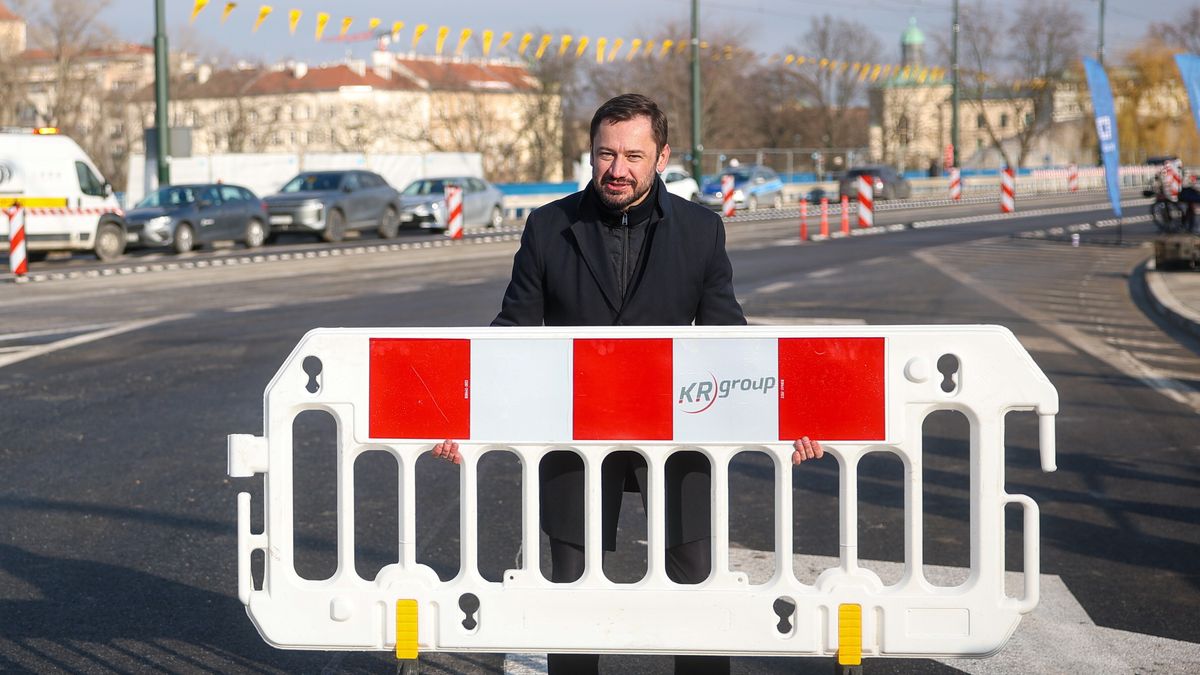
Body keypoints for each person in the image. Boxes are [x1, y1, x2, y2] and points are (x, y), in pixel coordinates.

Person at [432, 93, 824, 675]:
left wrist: (786, 417)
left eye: (633, 156)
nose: (618, 170)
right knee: (571, 581)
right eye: (606, 154)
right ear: (590, 155)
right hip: (573, 434)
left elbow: (728, 337)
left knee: (694, 575)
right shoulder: (548, 227)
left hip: (679, 431)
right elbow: (512, 331)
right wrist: (459, 419)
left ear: (661, 156)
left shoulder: (701, 231)